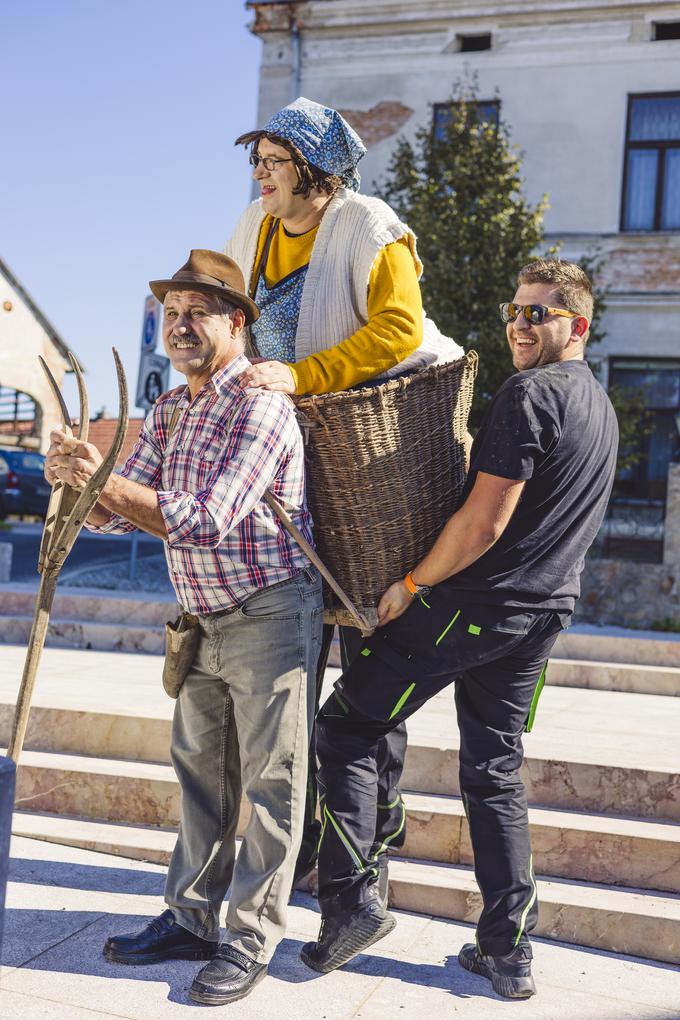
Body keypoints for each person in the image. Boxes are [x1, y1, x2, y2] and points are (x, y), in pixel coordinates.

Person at [301, 258, 619, 1000]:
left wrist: (412, 585)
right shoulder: (598, 406)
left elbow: (483, 522)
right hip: (542, 614)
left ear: (577, 325)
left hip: (475, 605)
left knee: (346, 726)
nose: (519, 325)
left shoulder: (531, 393)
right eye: (515, 311)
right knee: (494, 771)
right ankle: (508, 952)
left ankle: (350, 905)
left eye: (537, 314)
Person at [45, 250, 323, 1007]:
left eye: (197, 312)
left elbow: (203, 519)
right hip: (201, 616)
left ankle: (251, 939)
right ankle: (192, 918)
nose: (180, 326)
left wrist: (109, 482)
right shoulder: (171, 409)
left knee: (273, 783)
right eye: (171, 315)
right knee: (202, 775)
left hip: (269, 610)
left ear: (237, 322)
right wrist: (81, 472)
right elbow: (112, 509)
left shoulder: (261, 407)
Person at [225, 96, 464, 893]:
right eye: (255, 159)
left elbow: (399, 329)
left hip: (376, 453)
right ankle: (290, 851)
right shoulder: (253, 231)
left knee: (368, 655)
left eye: (273, 159)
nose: (258, 172)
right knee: (296, 663)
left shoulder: (367, 225)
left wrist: (302, 374)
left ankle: (365, 846)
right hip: (297, 458)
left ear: (315, 169)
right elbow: (224, 317)